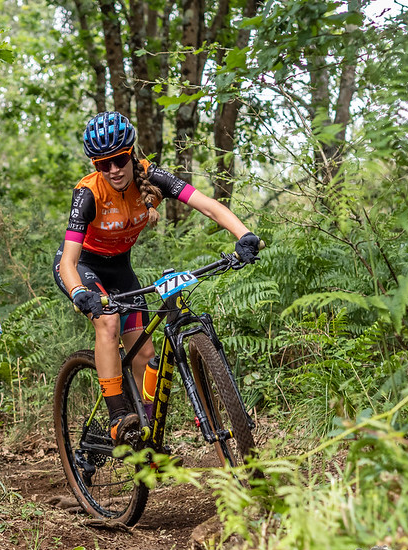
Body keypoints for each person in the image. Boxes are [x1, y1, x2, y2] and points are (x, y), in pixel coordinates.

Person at [54, 111, 261, 445]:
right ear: (95, 165)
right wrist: (79, 292)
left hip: (119, 268)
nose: (113, 170)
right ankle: (117, 417)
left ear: (131, 152)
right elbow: (68, 260)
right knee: (107, 324)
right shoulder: (88, 194)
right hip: (83, 269)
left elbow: (207, 205)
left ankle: (145, 436)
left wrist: (244, 235)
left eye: (119, 160)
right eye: (102, 164)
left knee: (144, 354)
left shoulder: (152, 176)